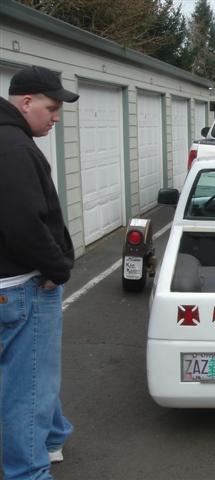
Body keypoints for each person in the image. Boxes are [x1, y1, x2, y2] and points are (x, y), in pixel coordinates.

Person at [0, 66, 79, 479]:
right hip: (21, 287)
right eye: (51, 108)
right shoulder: (14, 149)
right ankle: (28, 471)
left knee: (32, 373)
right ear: (26, 102)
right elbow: (22, 225)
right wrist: (57, 267)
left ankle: (53, 436)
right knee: (27, 386)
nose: (56, 117)